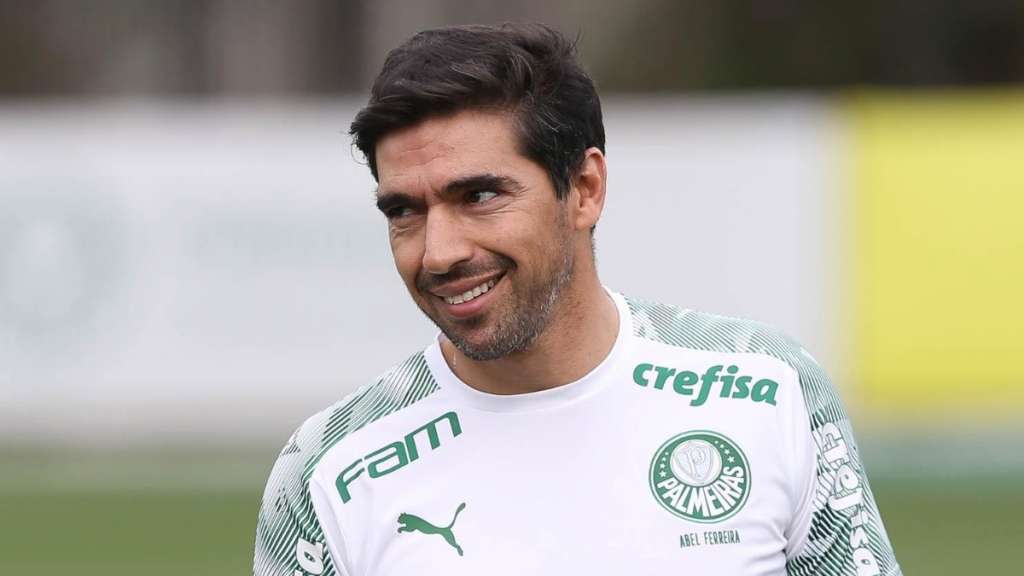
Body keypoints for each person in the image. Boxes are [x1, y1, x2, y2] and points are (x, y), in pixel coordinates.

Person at [253, 22, 901, 576]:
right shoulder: (328, 473)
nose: (438, 251)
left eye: (479, 196)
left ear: (585, 188)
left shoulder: (767, 389)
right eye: (404, 211)